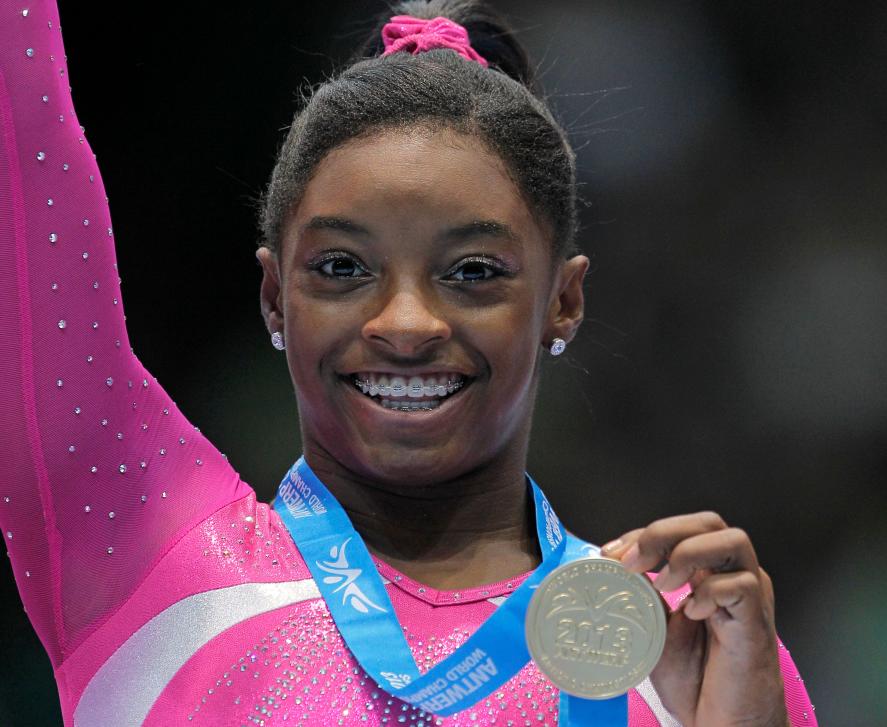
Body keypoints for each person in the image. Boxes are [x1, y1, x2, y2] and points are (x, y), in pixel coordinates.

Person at [0, 1, 817, 724]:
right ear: (274, 296)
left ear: (563, 301)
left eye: (473, 273)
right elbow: (18, 133)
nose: (406, 323)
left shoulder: (680, 643)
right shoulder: (143, 551)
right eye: (342, 268)